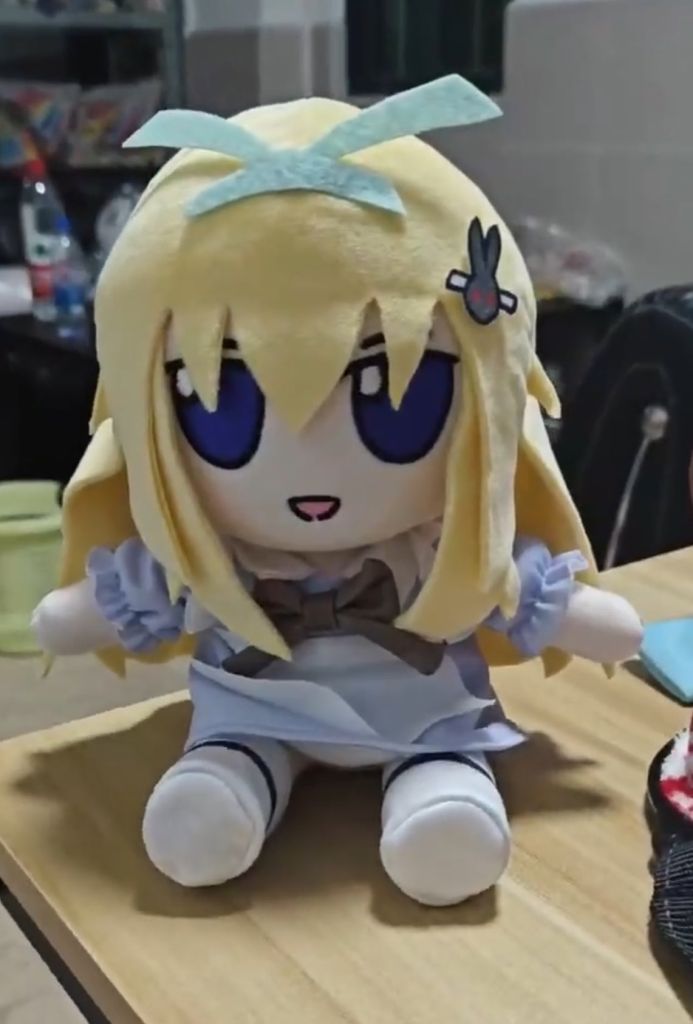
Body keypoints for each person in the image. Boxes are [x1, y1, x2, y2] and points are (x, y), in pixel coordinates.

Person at [33, 77, 643, 906]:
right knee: (220, 776)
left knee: (441, 770)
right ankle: (229, 783)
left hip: (425, 716)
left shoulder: (442, 548)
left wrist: (586, 617)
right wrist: (77, 615)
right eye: (223, 407)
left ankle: (437, 797)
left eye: (398, 401)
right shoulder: (218, 560)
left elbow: (537, 596)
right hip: (253, 710)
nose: (310, 472)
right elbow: (95, 611)